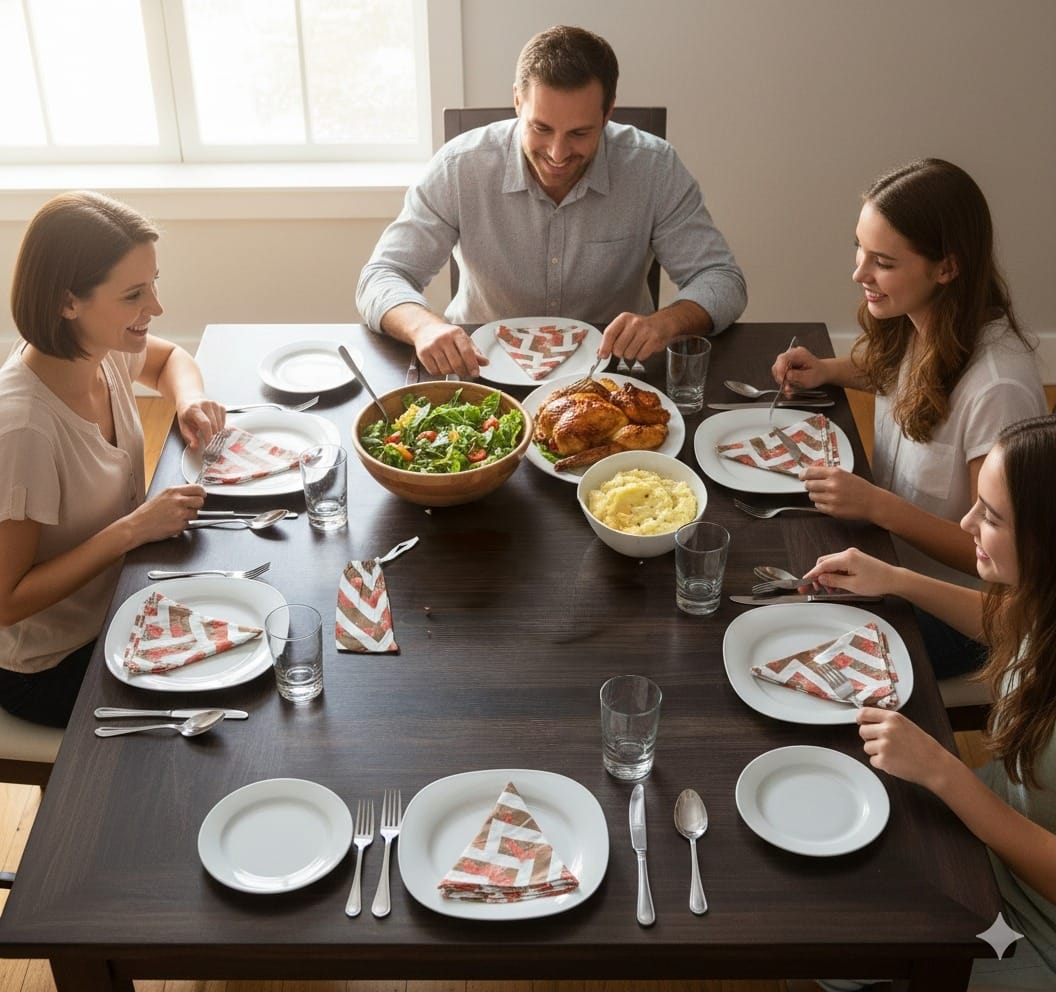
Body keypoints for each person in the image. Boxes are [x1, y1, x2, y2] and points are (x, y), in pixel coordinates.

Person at [795, 414, 1056, 990]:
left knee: (832, 954)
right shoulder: (1045, 601)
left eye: (991, 517)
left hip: (1037, 917)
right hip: (991, 820)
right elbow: (1013, 627)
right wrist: (895, 579)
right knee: (813, 901)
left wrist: (944, 772)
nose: (967, 524)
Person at [771, 158, 1046, 677]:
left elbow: (996, 559)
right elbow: (900, 374)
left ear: (946, 268)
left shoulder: (999, 390)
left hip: (960, 611)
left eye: (883, 262)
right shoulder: (923, 321)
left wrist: (878, 506)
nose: (859, 273)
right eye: (859, 248)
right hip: (883, 556)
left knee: (788, 629)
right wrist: (826, 370)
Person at [356, 24, 746, 378]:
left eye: (579, 133)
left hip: (612, 376)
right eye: (541, 128)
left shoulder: (655, 168)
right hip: (481, 372)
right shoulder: (460, 166)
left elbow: (722, 280)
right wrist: (424, 327)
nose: (557, 154)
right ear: (517, 101)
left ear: (607, 113)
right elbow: (382, 276)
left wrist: (665, 323)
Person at [0, 191, 225, 727]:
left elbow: (171, 360)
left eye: (153, 284)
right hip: (53, 665)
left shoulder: (99, 353)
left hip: (124, 600)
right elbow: (6, 601)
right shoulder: (24, 430)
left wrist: (189, 399)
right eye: (133, 295)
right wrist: (134, 529)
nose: (157, 307)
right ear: (67, 303)